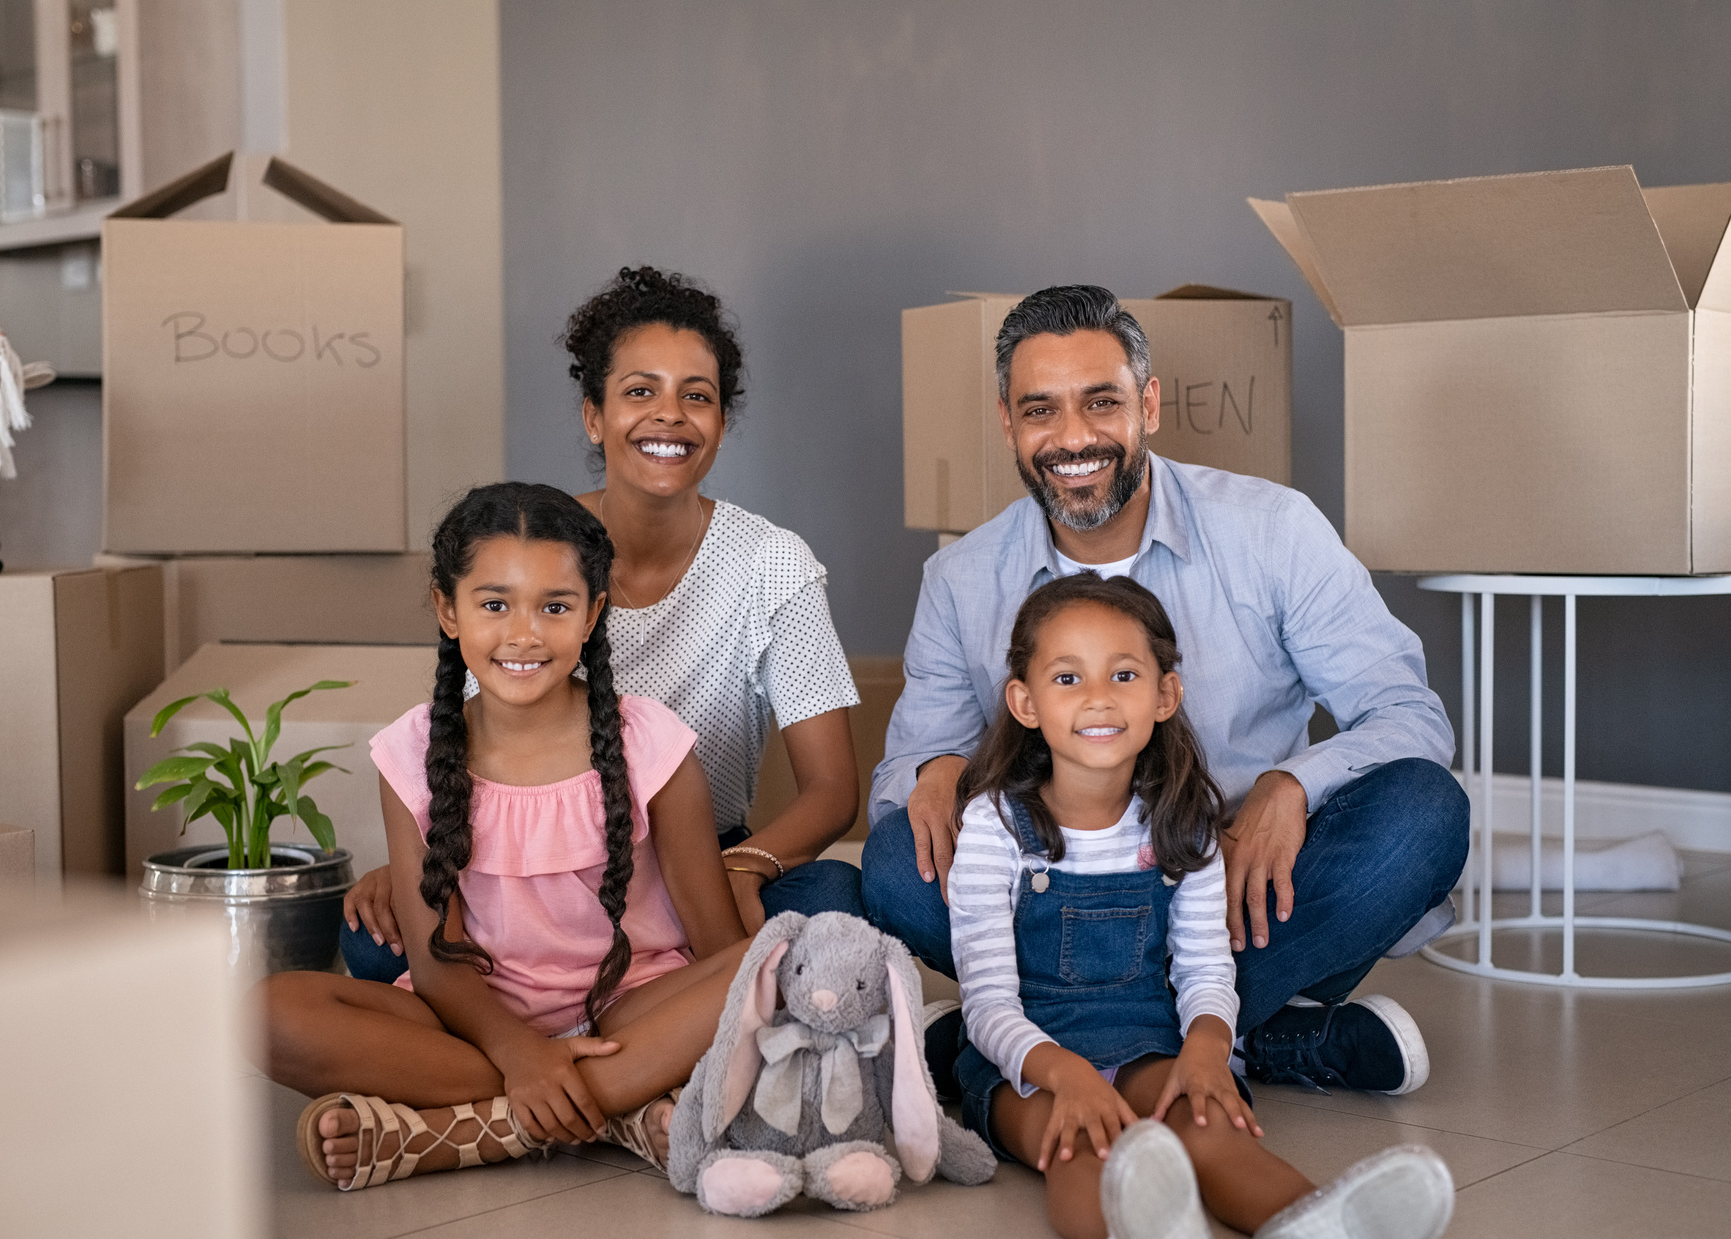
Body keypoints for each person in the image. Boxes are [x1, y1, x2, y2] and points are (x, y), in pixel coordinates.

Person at [866, 284, 1469, 1096]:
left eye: (1101, 402)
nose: (1072, 438)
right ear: (1008, 421)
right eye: (1041, 410)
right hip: (1059, 898)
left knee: (1425, 812)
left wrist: (1292, 785)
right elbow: (900, 776)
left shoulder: (1273, 529)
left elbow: (1410, 715)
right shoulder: (960, 579)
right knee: (894, 862)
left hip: (1234, 894)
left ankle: (1022, 1038)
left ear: (1147, 404)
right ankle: (1249, 1038)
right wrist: (937, 767)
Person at [342, 268, 864, 981]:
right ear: (594, 415)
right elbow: (474, 740)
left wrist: (743, 863)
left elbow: (832, 789)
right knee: (375, 941)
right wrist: (419, 864)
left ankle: (603, 1014)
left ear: (721, 423)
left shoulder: (772, 562)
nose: (670, 415)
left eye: (697, 396)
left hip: (706, 857)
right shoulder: (534, 552)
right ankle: (580, 1027)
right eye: (640, 391)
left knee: (834, 902)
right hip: (535, 869)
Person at [259, 483, 752, 1189]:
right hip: (475, 1025)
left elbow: (722, 946)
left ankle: (465, 1132)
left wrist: (740, 1000)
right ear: (447, 609)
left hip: (632, 1009)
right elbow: (437, 969)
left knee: (777, 959)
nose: (524, 634)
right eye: (495, 605)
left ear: (593, 614)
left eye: (555, 607)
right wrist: (522, 1053)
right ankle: (618, 1104)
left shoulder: (653, 742)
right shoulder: (412, 752)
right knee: (266, 1013)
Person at [949, 571, 1453, 1239]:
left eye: (1123, 675)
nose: (1098, 698)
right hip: (1026, 1064)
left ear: (1165, 694)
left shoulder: (1182, 824)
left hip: (1148, 1038)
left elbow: (1206, 969)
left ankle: (1323, 1222)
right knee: (1084, 1147)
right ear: (1024, 701)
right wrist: (1064, 1073)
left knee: (1214, 1129)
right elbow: (987, 1003)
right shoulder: (994, 825)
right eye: (1068, 678)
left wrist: (1208, 1047)